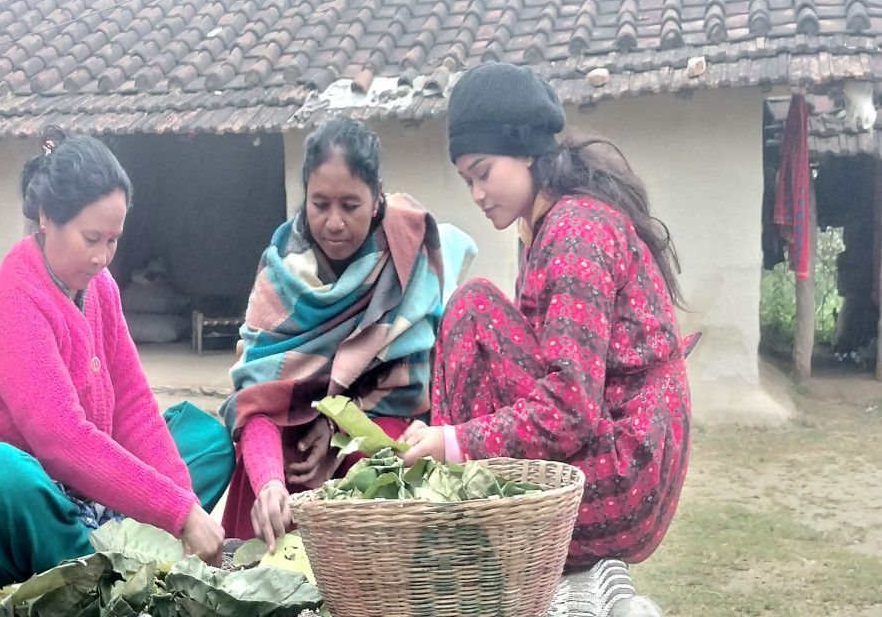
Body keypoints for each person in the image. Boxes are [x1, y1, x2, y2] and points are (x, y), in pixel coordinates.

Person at [0, 130, 232, 589]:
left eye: (113, 240)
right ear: (46, 218)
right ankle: (96, 568)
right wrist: (177, 513)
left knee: (206, 439)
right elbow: (62, 441)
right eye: (91, 237)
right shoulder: (13, 300)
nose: (101, 257)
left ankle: (84, 546)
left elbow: (133, 405)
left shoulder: (102, 288)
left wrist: (185, 504)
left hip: (75, 496)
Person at [400, 62, 692, 568]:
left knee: (471, 310)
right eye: (467, 179)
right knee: (475, 311)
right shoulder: (545, 227)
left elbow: (570, 408)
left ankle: (454, 514)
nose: (476, 194)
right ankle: (454, 511)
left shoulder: (576, 230)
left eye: (484, 172)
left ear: (528, 150)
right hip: (630, 474)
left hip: (621, 475)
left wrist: (453, 441)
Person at [219, 116, 445, 551]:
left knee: (379, 462)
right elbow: (258, 399)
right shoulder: (282, 275)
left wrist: (341, 429)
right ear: (304, 196)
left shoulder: (404, 257)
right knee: (275, 458)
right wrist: (268, 482)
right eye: (320, 204)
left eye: (350, 205)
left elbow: (405, 387)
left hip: (376, 429)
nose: (334, 222)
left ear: (377, 197)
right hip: (293, 442)